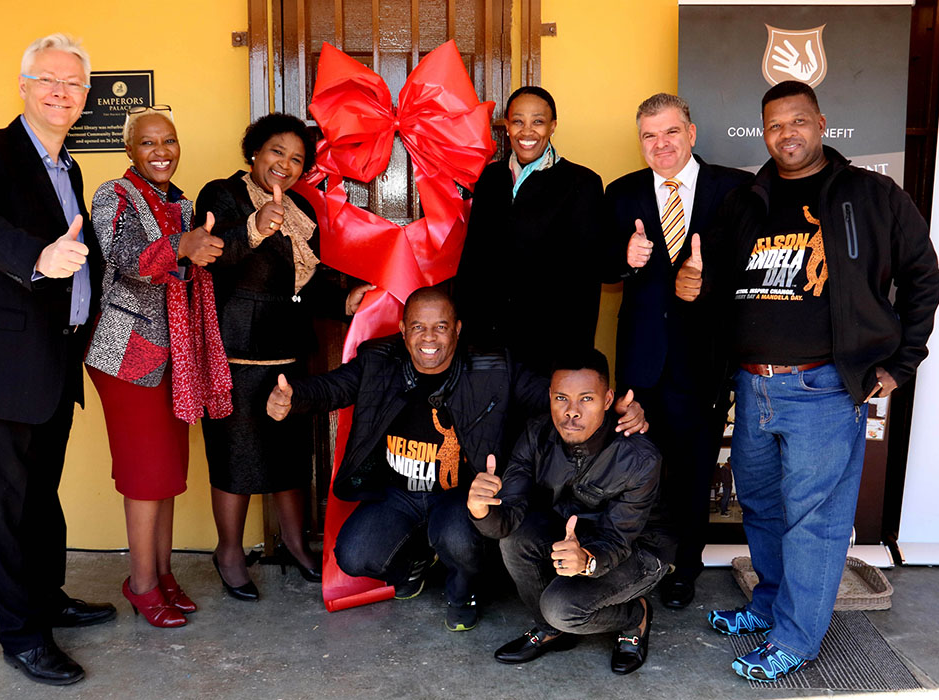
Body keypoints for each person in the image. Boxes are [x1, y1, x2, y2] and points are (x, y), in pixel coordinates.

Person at [675, 80, 939, 682]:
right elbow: (715, 280)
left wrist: (902, 363)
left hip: (823, 388)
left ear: (821, 123)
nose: (786, 134)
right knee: (763, 508)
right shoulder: (748, 200)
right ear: (764, 133)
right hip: (753, 387)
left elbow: (923, 277)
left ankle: (796, 638)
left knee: (814, 521)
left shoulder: (871, 195)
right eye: (774, 125)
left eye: (797, 121)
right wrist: (694, 283)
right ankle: (771, 606)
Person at [266, 288, 648, 631]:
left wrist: (615, 408)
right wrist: (292, 397)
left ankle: (463, 592)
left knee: (459, 538)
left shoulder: (494, 368)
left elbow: (554, 397)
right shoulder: (378, 360)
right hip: (398, 494)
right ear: (403, 330)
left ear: (458, 330)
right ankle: (415, 563)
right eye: (418, 327)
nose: (429, 338)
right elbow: (332, 388)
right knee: (353, 555)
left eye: (441, 327)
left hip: (459, 494)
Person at [0, 33, 112, 686]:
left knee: (40, 498)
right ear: (24, 85)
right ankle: (23, 636)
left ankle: (46, 598)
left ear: (84, 97)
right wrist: (38, 257)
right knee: (6, 507)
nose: (60, 92)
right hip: (5, 364)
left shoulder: (69, 168)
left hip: (55, 359)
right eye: (48, 79)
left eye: (73, 83)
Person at [196, 113, 372, 598]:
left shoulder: (300, 209)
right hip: (237, 353)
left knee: (289, 456)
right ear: (254, 150)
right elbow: (212, 256)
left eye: (296, 159)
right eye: (277, 151)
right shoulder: (221, 194)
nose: (285, 164)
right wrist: (253, 228)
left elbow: (306, 283)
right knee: (235, 457)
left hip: (289, 352)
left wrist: (344, 302)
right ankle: (229, 553)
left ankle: (295, 544)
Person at [85, 106, 232, 628]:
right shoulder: (114, 195)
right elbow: (122, 257)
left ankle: (163, 574)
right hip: (128, 356)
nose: (161, 151)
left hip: (176, 354)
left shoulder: (183, 202)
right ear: (130, 150)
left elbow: (193, 269)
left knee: (166, 474)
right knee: (145, 475)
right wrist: (182, 246)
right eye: (148, 142)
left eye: (168, 140)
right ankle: (142, 583)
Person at [605, 93, 751, 610]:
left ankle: (684, 569)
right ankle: (637, 565)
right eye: (649, 135)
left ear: (691, 133)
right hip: (641, 364)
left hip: (704, 362)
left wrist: (705, 283)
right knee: (639, 472)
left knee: (692, 474)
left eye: (670, 132)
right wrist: (623, 258)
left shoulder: (733, 189)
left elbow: (752, 269)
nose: (660, 144)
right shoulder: (622, 192)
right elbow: (599, 264)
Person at [469, 349, 666, 675]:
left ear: (608, 400)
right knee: (514, 539)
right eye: (562, 398)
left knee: (561, 607)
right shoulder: (536, 434)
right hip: (571, 536)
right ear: (549, 396)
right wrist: (481, 511)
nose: (572, 411)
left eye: (586, 399)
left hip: (637, 551)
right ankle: (553, 631)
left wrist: (586, 560)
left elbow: (619, 539)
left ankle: (635, 616)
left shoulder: (638, 457)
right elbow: (509, 517)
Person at [455, 86, 604, 376]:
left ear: (552, 126)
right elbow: (473, 259)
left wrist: (575, 353)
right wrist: (466, 329)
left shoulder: (581, 182)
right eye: (518, 121)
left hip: (551, 342)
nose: (527, 131)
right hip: (490, 339)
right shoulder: (491, 178)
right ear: (507, 126)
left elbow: (586, 275)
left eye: (538, 121)